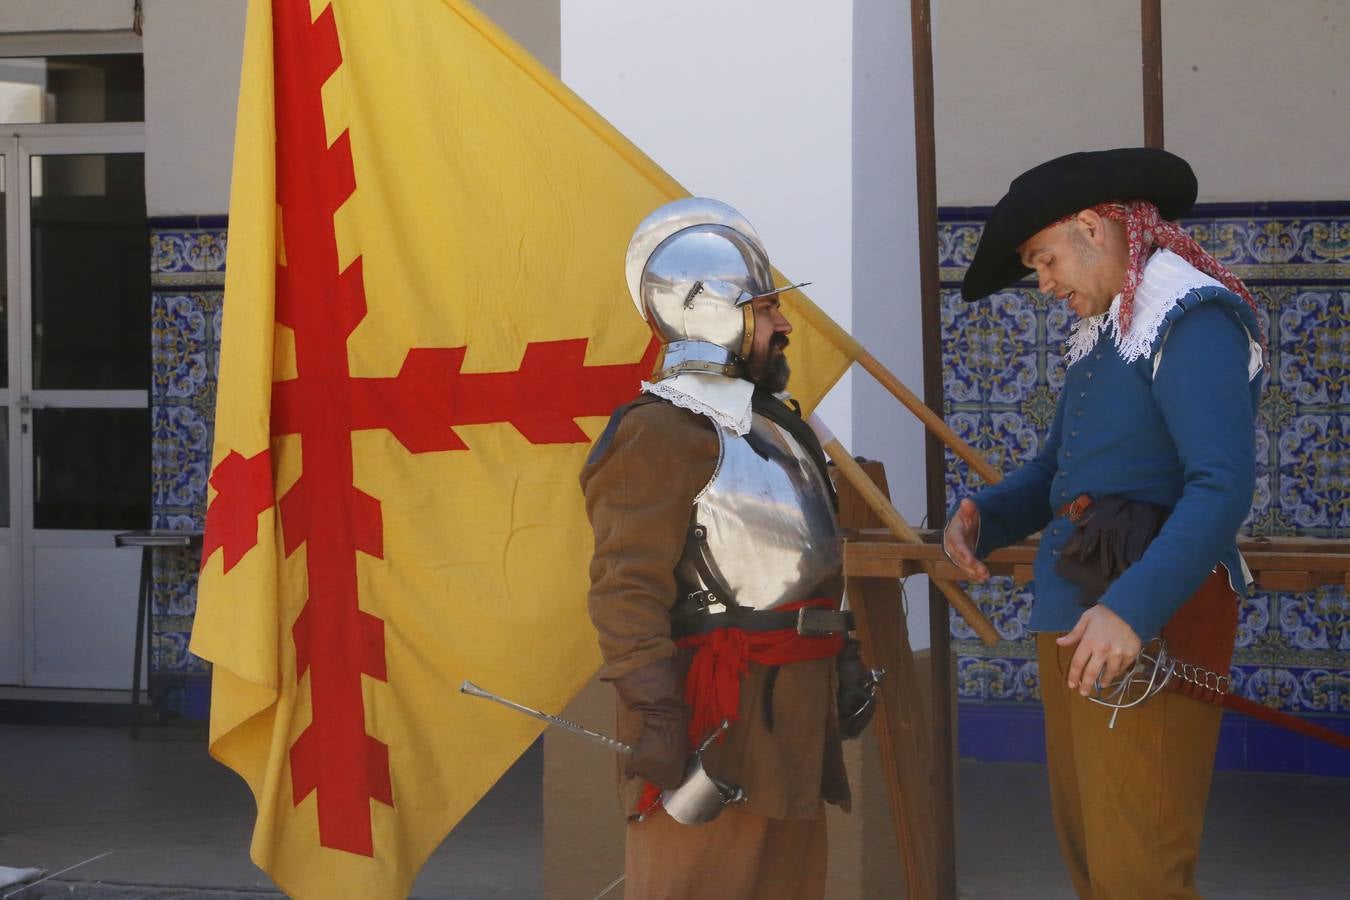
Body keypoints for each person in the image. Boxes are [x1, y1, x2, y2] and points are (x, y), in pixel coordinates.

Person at [944, 148, 1265, 898]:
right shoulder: (1109, 331)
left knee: (1140, 870)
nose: (1045, 283)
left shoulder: (1191, 316)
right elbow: (1061, 475)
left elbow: (1221, 488)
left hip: (1150, 622)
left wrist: (1130, 610)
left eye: (1045, 259)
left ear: (1093, 228)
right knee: (1094, 858)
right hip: (1080, 614)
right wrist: (981, 520)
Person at [581, 198, 864, 899]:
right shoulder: (660, 432)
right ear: (709, 309)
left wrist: (846, 653)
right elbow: (625, 587)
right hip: (712, 720)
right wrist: (656, 711)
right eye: (766, 309)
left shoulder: (777, 428)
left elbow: (814, 559)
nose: (784, 324)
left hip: (795, 716)